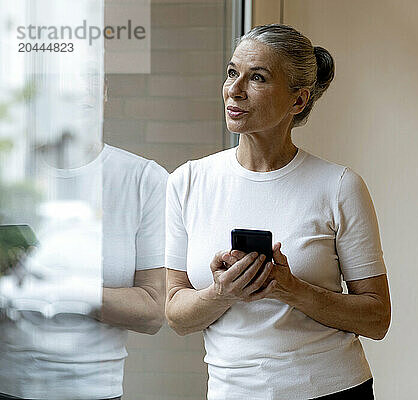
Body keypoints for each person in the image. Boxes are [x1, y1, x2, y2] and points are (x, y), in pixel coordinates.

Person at [165, 24, 391, 399]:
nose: (234, 90)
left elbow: (377, 317)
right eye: (232, 72)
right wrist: (223, 292)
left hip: (330, 389)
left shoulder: (339, 186)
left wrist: (292, 289)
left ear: (298, 101)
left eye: (257, 78)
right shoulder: (187, 182)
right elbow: (175, 313)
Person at [0, 78, 168, 400]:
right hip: (8, 384)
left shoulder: (143, 179)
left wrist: (59, 285)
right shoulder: (8, 172)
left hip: (94, 389)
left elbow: (151, 312)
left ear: (104, 89)